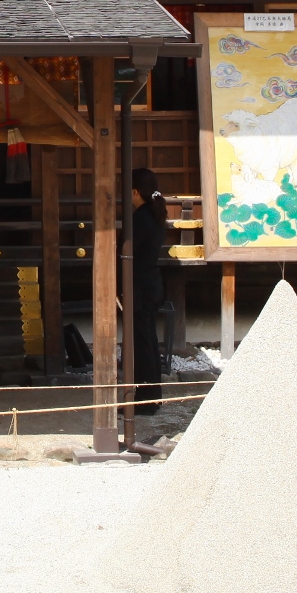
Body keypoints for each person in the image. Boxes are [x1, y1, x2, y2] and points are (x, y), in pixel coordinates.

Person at [128, 167, 170, 411]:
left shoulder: (141, 217)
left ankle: (145, 401)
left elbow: (127, 250)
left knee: (143, 344)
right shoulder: (153, 215)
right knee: (148, 341)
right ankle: (150, 397)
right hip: (150, 284)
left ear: (135, 191)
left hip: (141, 287)